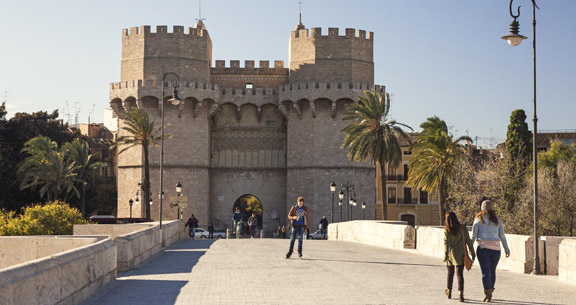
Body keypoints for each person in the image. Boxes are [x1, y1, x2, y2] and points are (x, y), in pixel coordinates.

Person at [471, 200, 510, 303]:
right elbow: (502, 236)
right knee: (492, 271)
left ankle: (488, 293)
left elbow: (473, 236)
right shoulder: (498, 221)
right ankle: (490, 290)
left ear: (482, 208)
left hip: (483, 249)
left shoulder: (478, 219)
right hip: (496, 250)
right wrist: (507, 249)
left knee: (485, 272)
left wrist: (470, 248)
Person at [444, 212, 475, 302]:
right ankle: (460, 294)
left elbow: (446, 243)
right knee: (459, 274)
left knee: (450, 274)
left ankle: (449, 291)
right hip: (461, 254)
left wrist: (445, 255)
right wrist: (473, 253)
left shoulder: (447, 229)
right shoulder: (462, 228)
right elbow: (468, 241)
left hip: (450, 254)